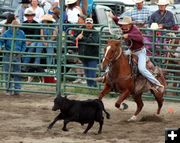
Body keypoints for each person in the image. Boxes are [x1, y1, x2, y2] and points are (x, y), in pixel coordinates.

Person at [0, 20, 26, 95]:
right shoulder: (6, 33)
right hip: (8, 55)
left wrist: (22, 52)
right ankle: (8, 89)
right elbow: (1, 41)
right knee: (7, 73)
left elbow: (24, 44)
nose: (15, 28)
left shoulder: (21, 33)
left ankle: (17, 90)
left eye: (17, 27)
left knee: (17, 73)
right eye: (14, 27)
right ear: (11, 26)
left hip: (17, 55)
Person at [75, 17, 99, 87]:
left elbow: (94, 41)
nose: (88, 25)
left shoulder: (95, 32)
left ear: (92, 24)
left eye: (90, 23)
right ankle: (90, 87)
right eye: (87, 23)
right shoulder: (81, 30)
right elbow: (73, 37)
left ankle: (93, 86)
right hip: (84, 55)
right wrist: (78, 38)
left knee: (91, 74)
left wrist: (82, 38)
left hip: (92, 56)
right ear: (85, 23)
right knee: (87, 73)